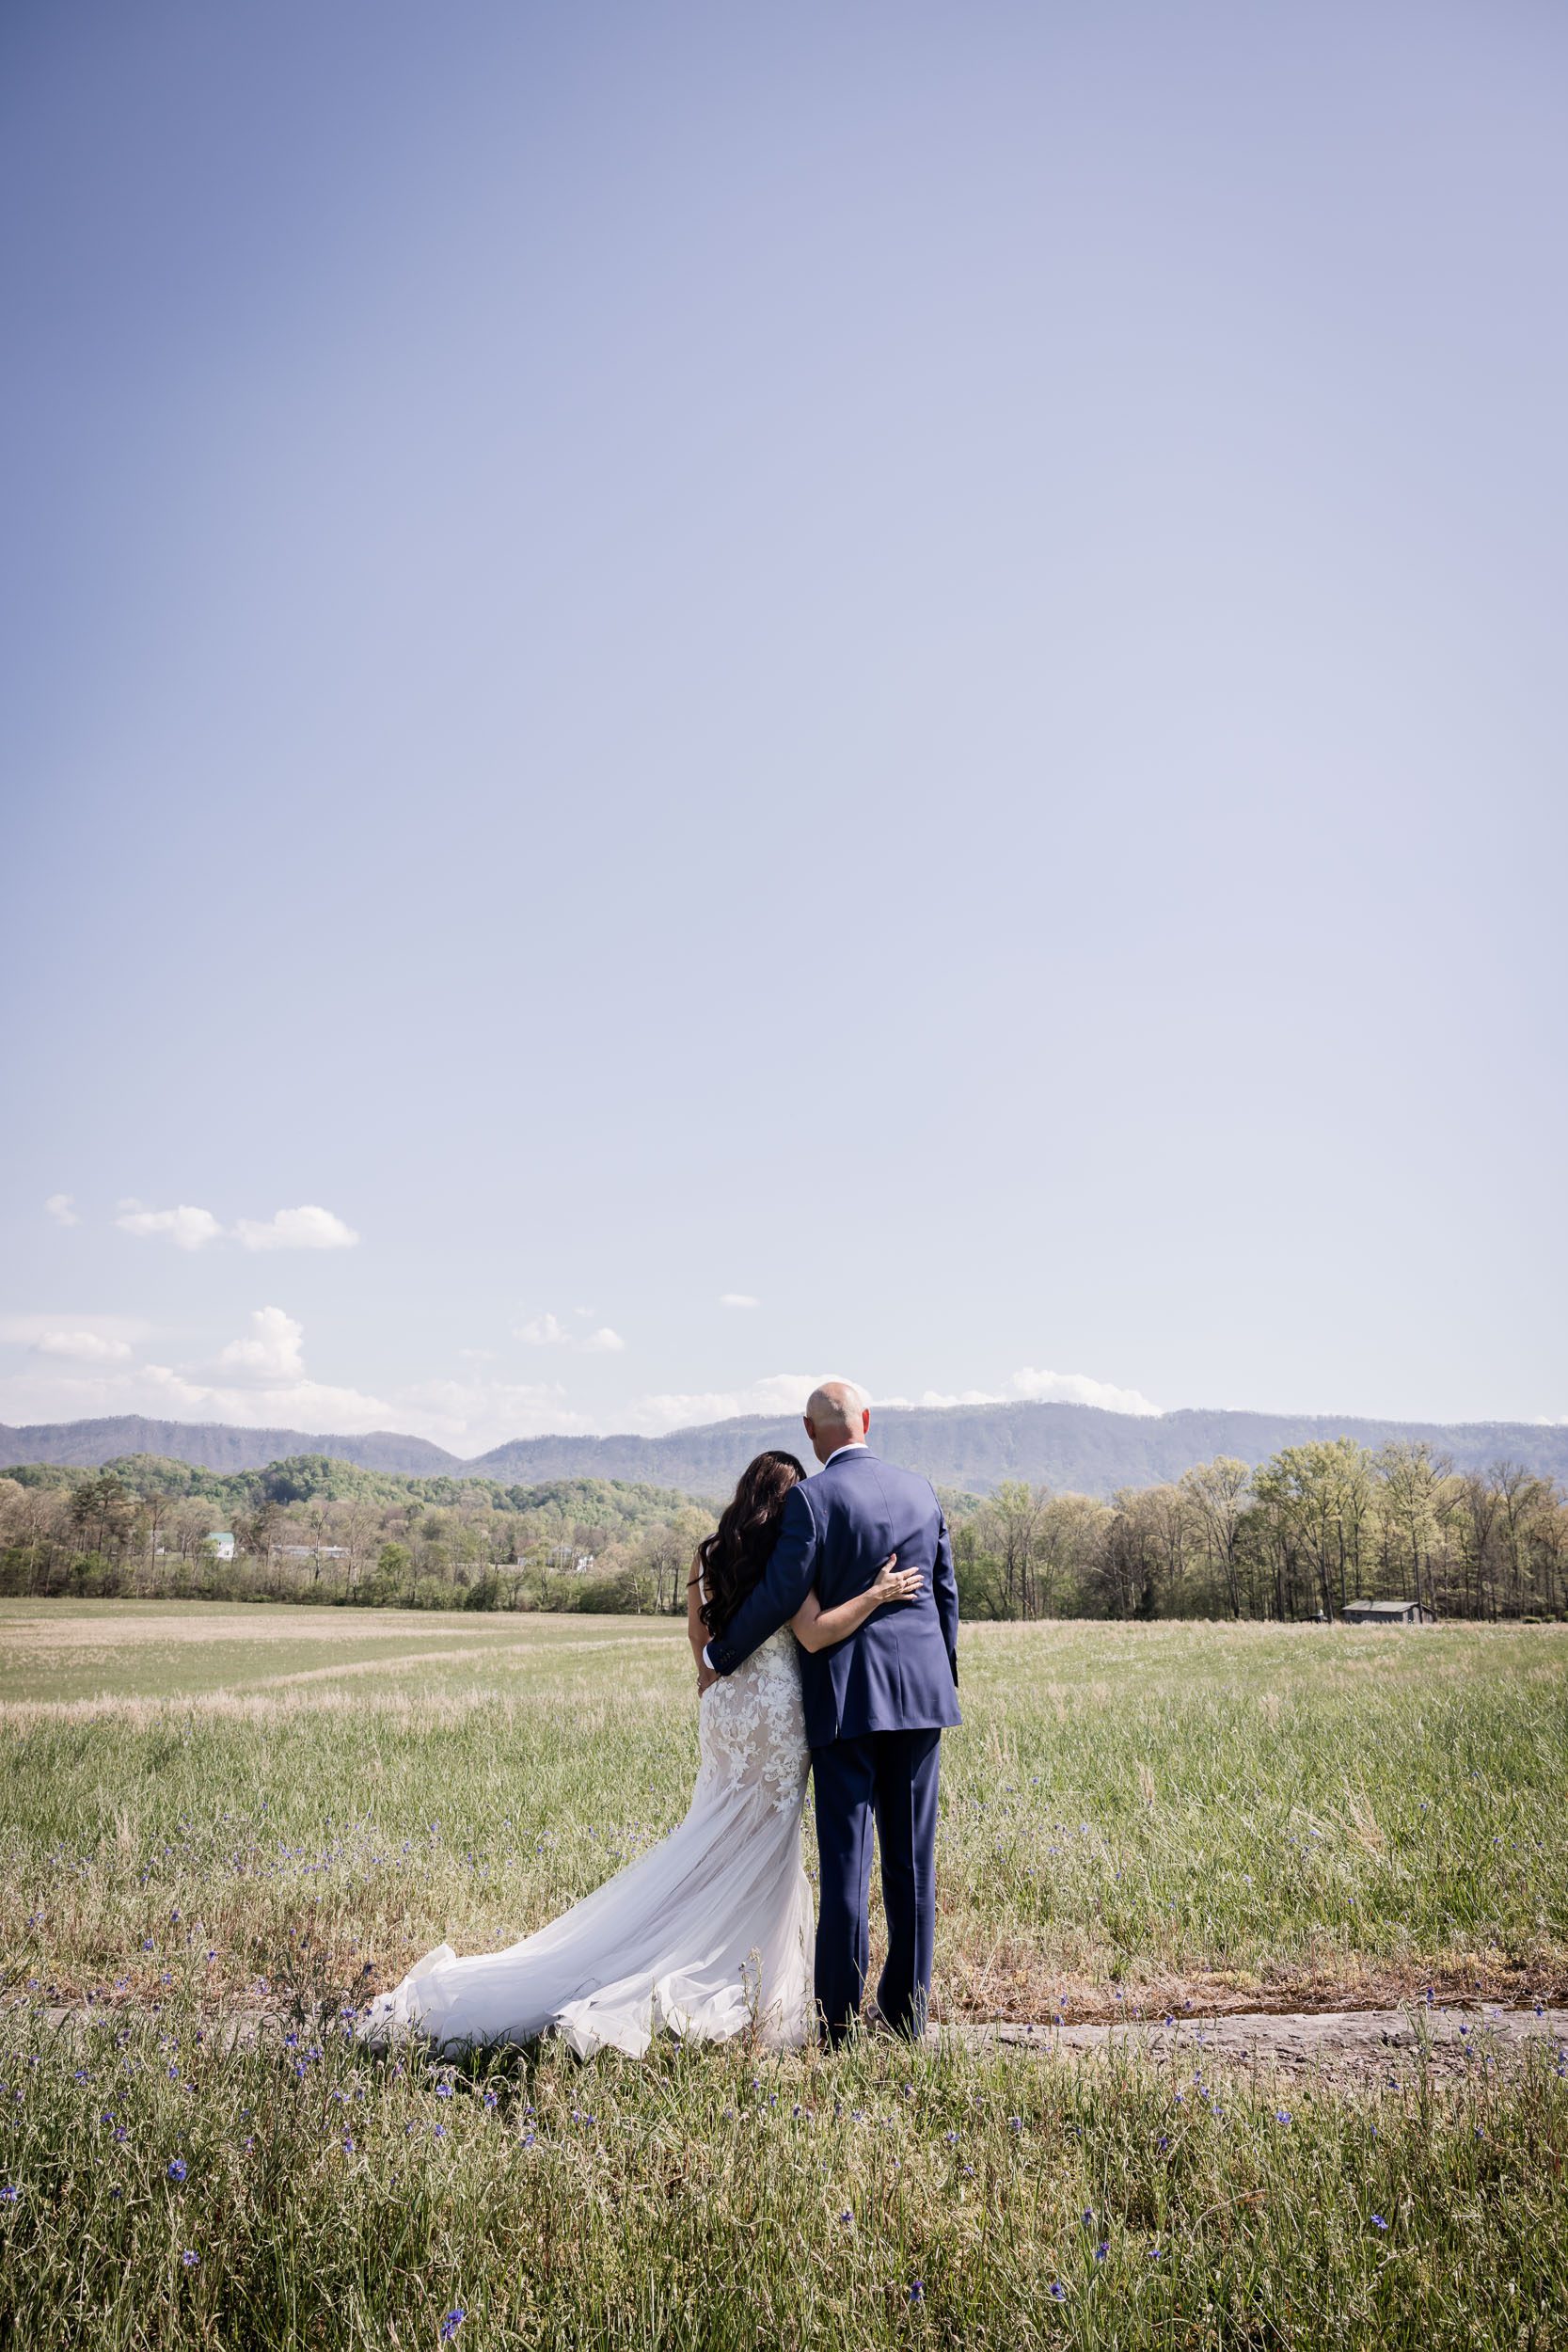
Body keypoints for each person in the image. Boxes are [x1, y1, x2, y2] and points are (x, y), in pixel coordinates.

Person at [356, 1443, 923, 2058]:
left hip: (726, 1712)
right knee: (761, 1845)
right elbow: (813, 1635)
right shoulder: (790, 1564)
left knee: (711, 1830)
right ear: (792, 1503)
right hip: (777, 1716)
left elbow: (698, 1640)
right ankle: (742, 1975)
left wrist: (713, 1684)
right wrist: (876, 1595)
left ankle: (696, 1949)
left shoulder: (710, 1558)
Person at [702, 1380, 960, 2042]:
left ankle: (838, 2025)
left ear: (811, 1433)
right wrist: (941, 1678)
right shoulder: (922, 1491)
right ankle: (907, 2019)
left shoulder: (811, 1500)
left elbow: (784, 1589)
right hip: (920, 1700)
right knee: (912, 1865)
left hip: (846, 1703)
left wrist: (723, 1652)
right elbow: (945, 1595)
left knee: (847, 1865)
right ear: (866, 1421)